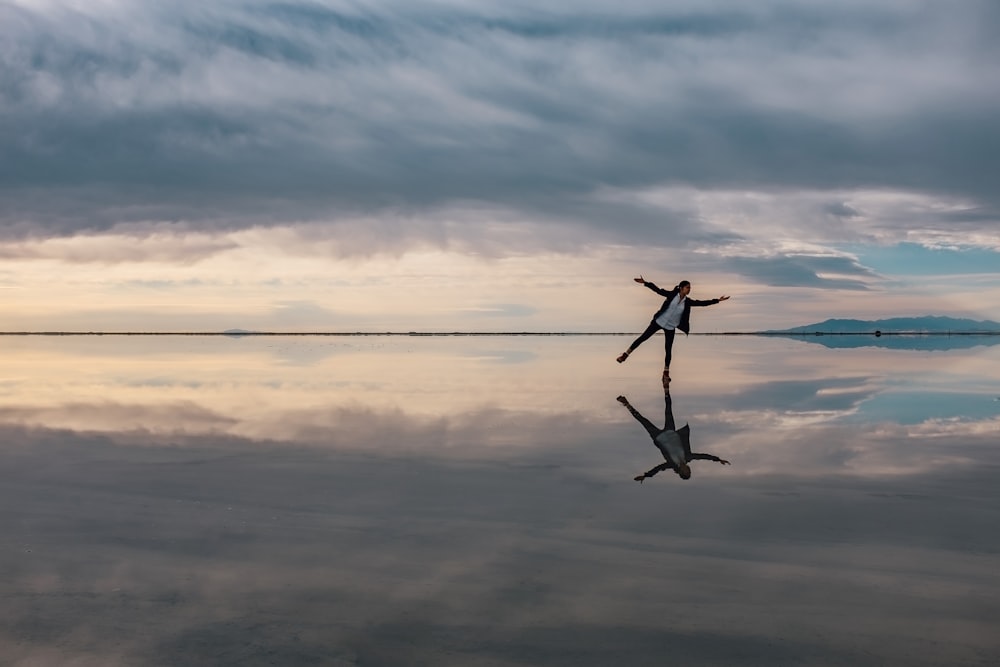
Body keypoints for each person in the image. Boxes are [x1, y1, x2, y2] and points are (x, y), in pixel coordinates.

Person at [616, 276, 729, 384]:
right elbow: (658, 290)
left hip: (670, 326)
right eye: (688, 287)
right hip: (659, 321)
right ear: (681, 287)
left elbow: (702, 303)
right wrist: (645, 283)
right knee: (642, 338)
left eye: (690, 288)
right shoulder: (672, 295)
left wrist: (717, 300)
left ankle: (666, 373)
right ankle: (625, 355)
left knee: (668, 350)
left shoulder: (687, 302)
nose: (689, 289)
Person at [616, 390, 730, 482]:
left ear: (681, 472)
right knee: (668, 409)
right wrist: (717, 459)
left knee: (643, 421)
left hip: (659, 437)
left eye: (687, 472)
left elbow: (659, 468)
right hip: (671, 432)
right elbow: (702, 456)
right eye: (689, 471)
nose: (689, 470)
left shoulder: (671, 464)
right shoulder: (688, 457)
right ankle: (666, 388)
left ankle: (627, 404)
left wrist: (646, 476)